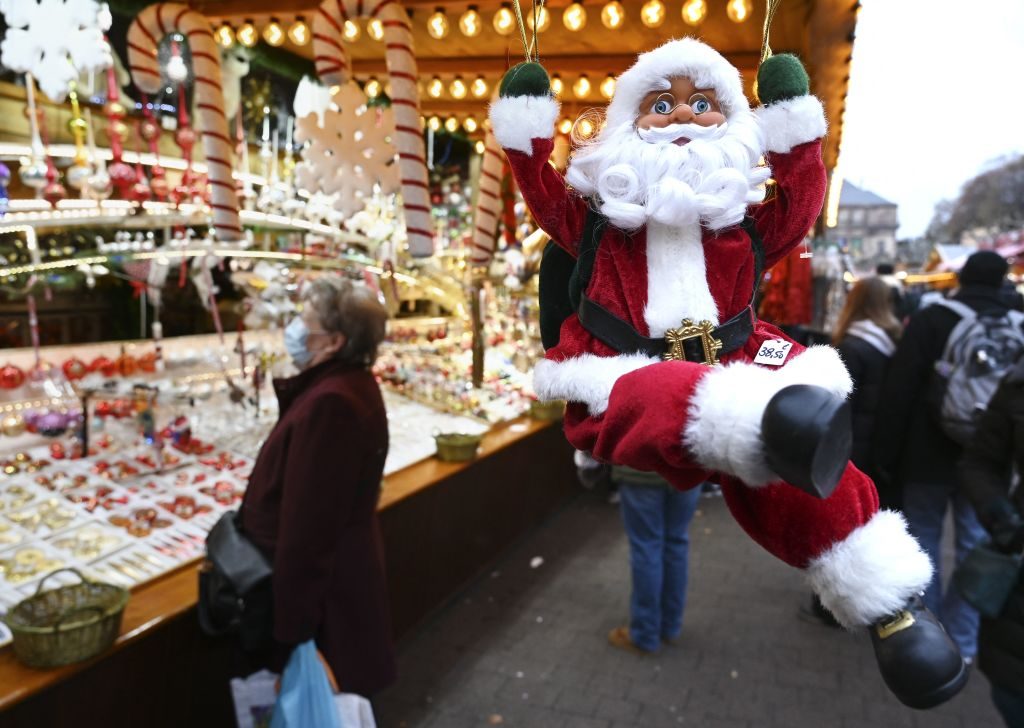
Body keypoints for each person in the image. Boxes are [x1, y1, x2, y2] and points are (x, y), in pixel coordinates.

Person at [491, 38, 963, 708]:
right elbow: (540, 189)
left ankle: (891, 607)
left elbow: (800, 203)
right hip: (627, 375)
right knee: (668, 400)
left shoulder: (739, 225)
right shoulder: (600, 223)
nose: (683, 116)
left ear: (732, 119)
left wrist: (792, 121)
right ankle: (766, 427)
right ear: (629, 124)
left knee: (796, 485)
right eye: (660, 104)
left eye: (704, 103)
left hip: (735, 358)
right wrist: (527, 125)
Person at [240, 276, 396, 698]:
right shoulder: (344, 386)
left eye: (304, 320)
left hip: (328, 603)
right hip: (337, 582)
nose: (294, 328)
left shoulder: (333, 405)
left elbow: (308, 530)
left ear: (333, 342)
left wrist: (290, 634)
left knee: (320, 703)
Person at [875, 251, 1016, 665]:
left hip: (928, 453)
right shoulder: (1018, 323)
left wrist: (885, 455)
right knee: (975, 544)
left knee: (924, 544)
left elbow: (899, 390)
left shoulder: (934, 319)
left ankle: (926, 641)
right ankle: (965, 640)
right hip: (992, 460)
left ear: (962, 277)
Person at [958, 356, 1024, 727]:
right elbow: (980, 462)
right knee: (1012, 698)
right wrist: (1002, 518)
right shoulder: (1018, 384)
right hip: (1018, 591)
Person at [608, 466, 702, 654]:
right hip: (688, 466)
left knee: (647, 547)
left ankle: (645, 634)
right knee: (676, 542)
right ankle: (670, 626)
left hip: (641, 467)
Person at [834, 277, 903, 500]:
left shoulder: (851, 345)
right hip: (887, 437)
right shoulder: (895, 338)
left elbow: (843, 404)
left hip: (856, 442)